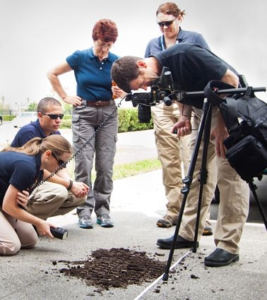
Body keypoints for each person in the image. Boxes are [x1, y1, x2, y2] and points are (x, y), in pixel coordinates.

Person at [111, 43, 250, 267]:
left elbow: (232, 81)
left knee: (230, 177)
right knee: (196, 173)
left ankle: (228, 245)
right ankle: (189, 232)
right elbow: (182, 94)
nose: (146, 87)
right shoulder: (161, 74)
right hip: (200, 112)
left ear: (141, 64)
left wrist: (223, 125)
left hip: (228, 110)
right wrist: (184, 116)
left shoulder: (186, 54)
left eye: (143, 82)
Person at [47, 19, 124, 229]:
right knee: (84, 163)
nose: (104, 50)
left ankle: (103, 211)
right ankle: (84, 211)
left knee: (106, 165)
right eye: (101, 44)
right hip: (85, 113)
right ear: (95, 39)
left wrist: (122, 92)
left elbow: (128, 86)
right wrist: (65, 96)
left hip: (108, 112)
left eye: (109, 45)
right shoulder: (80, 57)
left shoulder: (116, 62)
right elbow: (52, 73)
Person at [145, 2, 213, 235]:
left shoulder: (194, 39)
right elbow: (149, 75)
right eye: (160, 24)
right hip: (163, 107)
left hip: (190, 105)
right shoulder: (153, 44)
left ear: (180, 18)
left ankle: (196, 217)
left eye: (168, 23)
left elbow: (208, 68)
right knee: (169, 159)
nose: (164, 28)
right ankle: (174, 210)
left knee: (191, 158)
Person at [0, 135, 83, 256]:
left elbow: (44, 174)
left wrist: (70, 185)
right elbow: (9, 207)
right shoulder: (26, 166)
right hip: (4, 206)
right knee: (11, 246)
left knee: (29, 241)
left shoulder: (37, 166)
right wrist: (39, 222)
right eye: (60, 162)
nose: (61, 167)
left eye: (64, 164)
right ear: (48, 154)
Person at [11, 97, 88, 220]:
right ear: (40, 115)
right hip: (25, 180)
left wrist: (73, 184)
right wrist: (69, 185)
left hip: (41, 179)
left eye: (60, 116)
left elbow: (60, 166)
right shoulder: (29, 132)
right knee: (59, 193)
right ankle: (23, 219)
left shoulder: (56, 134)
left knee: (79, 196)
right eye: (53, 116)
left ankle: (35, 220)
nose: (58, 120)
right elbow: (37, 171)